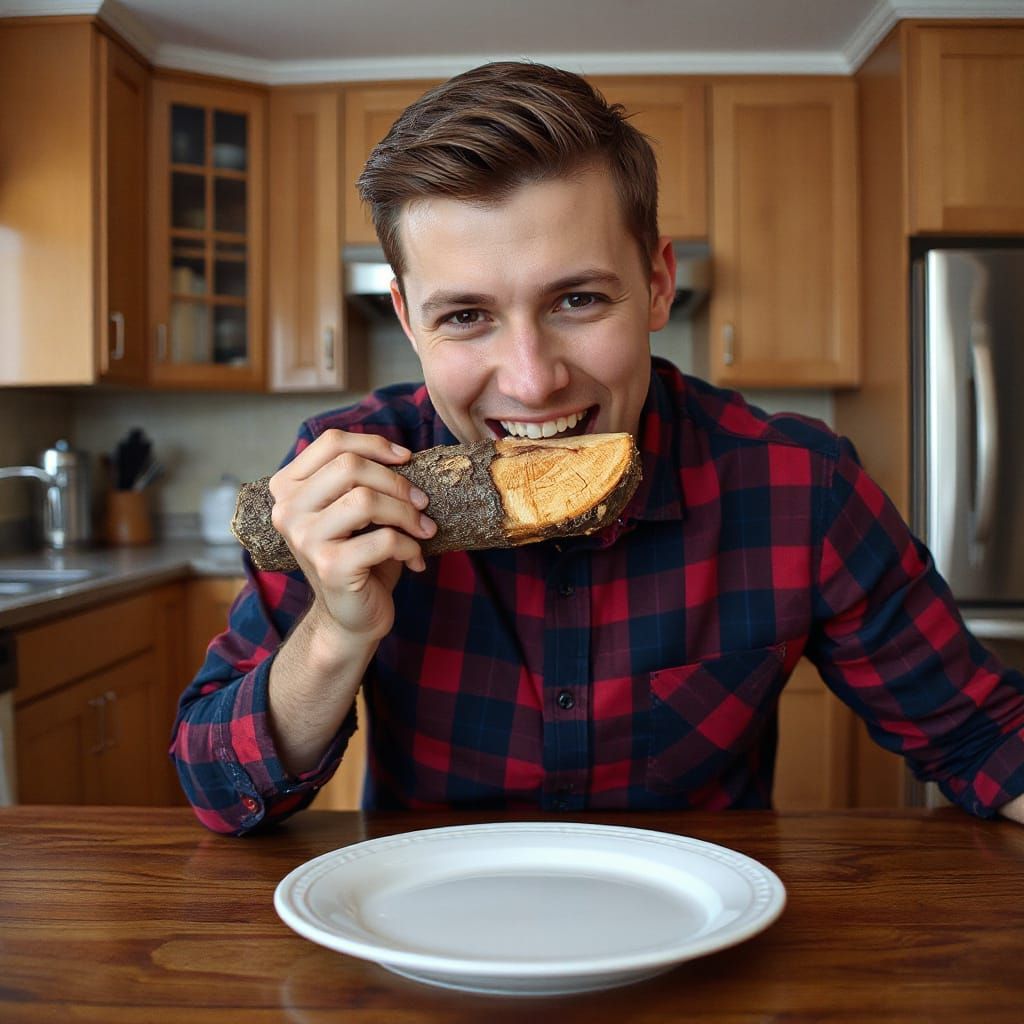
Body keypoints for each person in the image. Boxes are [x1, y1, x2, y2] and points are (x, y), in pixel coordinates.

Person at [171, 61, 1024, 835]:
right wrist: (333, 633)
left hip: (699, 955)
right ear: (407, 320)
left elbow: (984, 738)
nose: (534, 382)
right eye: (466, 316)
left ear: (656, 285)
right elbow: (215, 788)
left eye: (577, 299)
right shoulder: (345, 475)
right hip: (426, 945)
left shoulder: (799, 486)